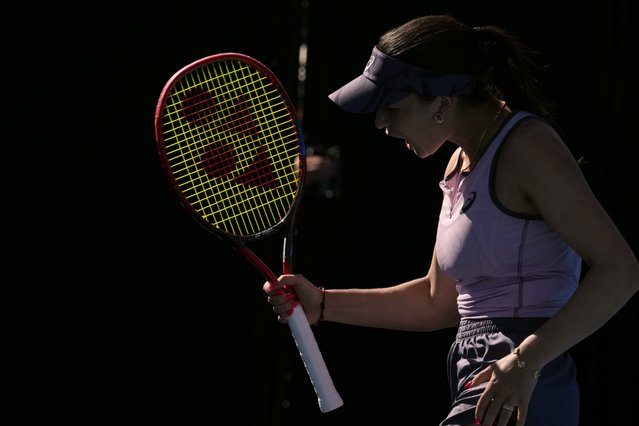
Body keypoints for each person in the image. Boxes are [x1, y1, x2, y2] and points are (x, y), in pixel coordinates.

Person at [263, 14, 639, 426]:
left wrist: (527, 361)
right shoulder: (458, 162)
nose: (380, 124)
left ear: (443, 101)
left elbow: (620, 271)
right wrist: (325, 304)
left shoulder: (527, 146)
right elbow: (434, 302)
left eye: (392, 107)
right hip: (480, 374)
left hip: (525, 381)